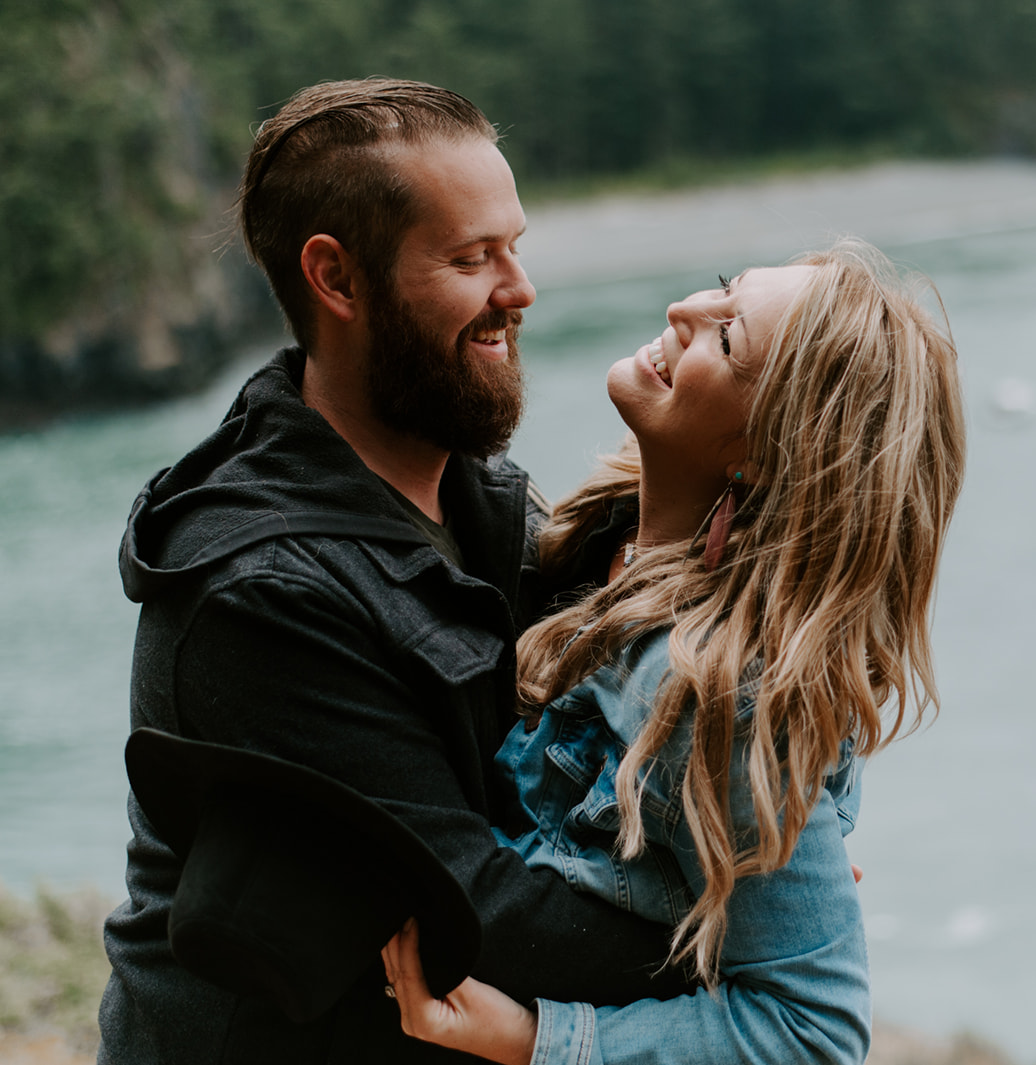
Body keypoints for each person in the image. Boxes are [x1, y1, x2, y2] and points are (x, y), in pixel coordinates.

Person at [101, 78, 694, 1064]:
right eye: (472, 258)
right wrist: (756, 934)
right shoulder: (261, 595)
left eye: (516, 245)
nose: (521, 289)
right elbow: (475, 910)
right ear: (336, 280)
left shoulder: (478, 497)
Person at [381, 240, 968, 1065]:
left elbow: (813, 1032)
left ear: (765, 456)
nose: (684, 311)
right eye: (726, 289)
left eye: (728, 338)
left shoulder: (719, 699)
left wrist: (534, 1039)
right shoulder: (595, 541)